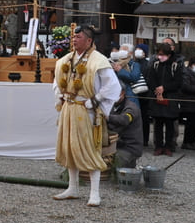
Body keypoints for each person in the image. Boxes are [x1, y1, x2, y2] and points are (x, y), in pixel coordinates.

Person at [52, 24, 121, 207]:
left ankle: (95, 192)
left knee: (90, 148)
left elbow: (113, 86)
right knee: (69, 146)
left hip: (87, 109)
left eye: (79, 37)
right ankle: (72, 187)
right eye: (73, 37)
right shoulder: (66, 59)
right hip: (69, 107)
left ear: (89, 40)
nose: (74, 40)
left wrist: (96, 99)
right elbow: (57, 81)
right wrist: (60, 94)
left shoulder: (99, 60)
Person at [145, 42, 183, 156]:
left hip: (171, 97)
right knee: (158, 124)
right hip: (157, 96)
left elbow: (178, 82)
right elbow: (150, 80)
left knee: (170, 124)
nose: (160, 56)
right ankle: (158, 146)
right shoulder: (155, 65)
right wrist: (157, 90)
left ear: (169, 55)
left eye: (162, 54)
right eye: (158, 54)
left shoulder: (175, 65)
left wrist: (164, 88)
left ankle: (168, 146)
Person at [107, 93, 143, 169]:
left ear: (122, 93)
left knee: (113, 165)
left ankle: (130, 164)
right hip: (118, 145)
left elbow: (125, 120)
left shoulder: (131, 107)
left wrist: (106, 117)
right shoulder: (112, 105)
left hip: (129, 147)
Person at [179, 56, 195, 150]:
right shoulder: (186, 72)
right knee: (190, 123)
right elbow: (185, 86)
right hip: (188, 101)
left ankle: (191, 141)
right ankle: (187, 142)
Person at [132, 43, 152, 146]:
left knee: (144, 118)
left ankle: (144, 140)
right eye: (137, 49)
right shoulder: (133, 63)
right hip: (134, 94)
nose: (138, 51)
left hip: (144, 95)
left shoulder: (148, 64)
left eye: (141, 49)